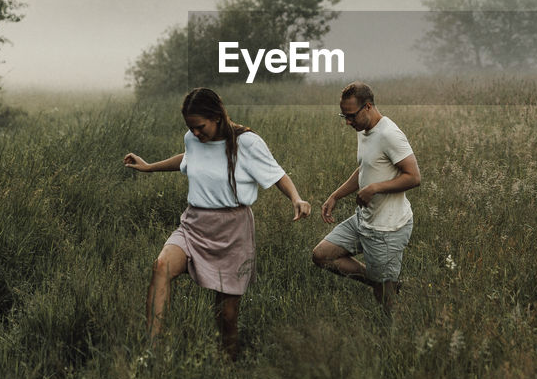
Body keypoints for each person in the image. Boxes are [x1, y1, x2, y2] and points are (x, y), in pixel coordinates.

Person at [124, 87, 310, 360]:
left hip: (233, 231)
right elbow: (188, 159)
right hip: (193, 224)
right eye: (191, 129)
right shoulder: (193, 138)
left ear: (217, 117)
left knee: (226, 315)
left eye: (200, 127)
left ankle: (228, 365)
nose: (196, 134)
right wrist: (150, 167)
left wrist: (296, 198)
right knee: (161, 266)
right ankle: (153, 353)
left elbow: (277, 173)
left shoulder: (247, 143)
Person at [312, 81, 421, 312]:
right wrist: (336, 195)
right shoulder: (363, 130)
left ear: (368, 107)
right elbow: (366, 167)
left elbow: (413, 177)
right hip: (364, 220)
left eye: (351, 116)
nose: (348, 122)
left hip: (387, 229)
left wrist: (375, 188)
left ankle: (394, 338)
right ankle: (380, 280)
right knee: (321, 256)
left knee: (386, 304)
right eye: (344, 117)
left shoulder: (390, 135)